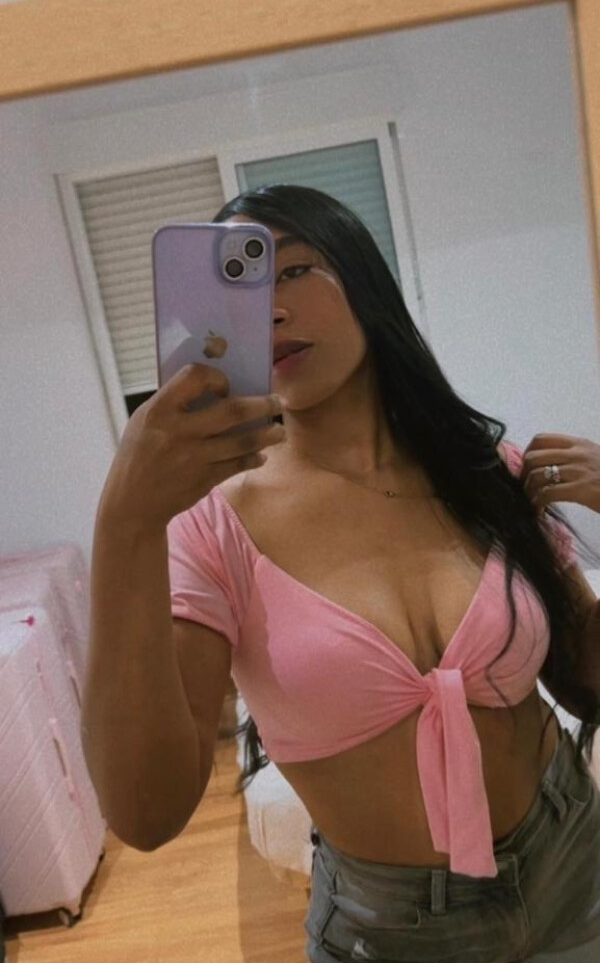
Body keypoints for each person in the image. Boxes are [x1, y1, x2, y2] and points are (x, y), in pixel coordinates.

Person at [82, 185, 600, 963]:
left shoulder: (484, 468)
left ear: (362, 279)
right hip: (390, 934)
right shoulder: (210, 524)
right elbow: (146, 815)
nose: (269, 311)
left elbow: (588, 683)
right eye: (238, 294)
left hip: (577, 861)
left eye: (293, 271)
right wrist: (124, 524)